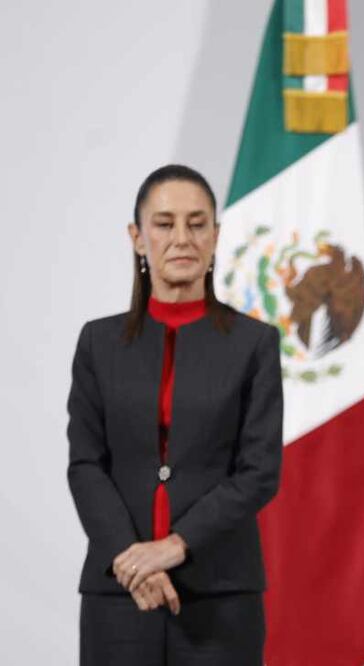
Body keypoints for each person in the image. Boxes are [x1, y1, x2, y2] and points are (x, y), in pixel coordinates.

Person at [67, 164, 283, 664]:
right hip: (118, 594)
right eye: (164, 223)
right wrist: (131, 559)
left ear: (216, 236)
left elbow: (259, 472)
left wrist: (175, 546)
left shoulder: (254, 344)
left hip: (222, 595)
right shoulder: (97, 343)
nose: (181, 238)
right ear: (137, 237)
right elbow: (86, 465)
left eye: (197, 222)